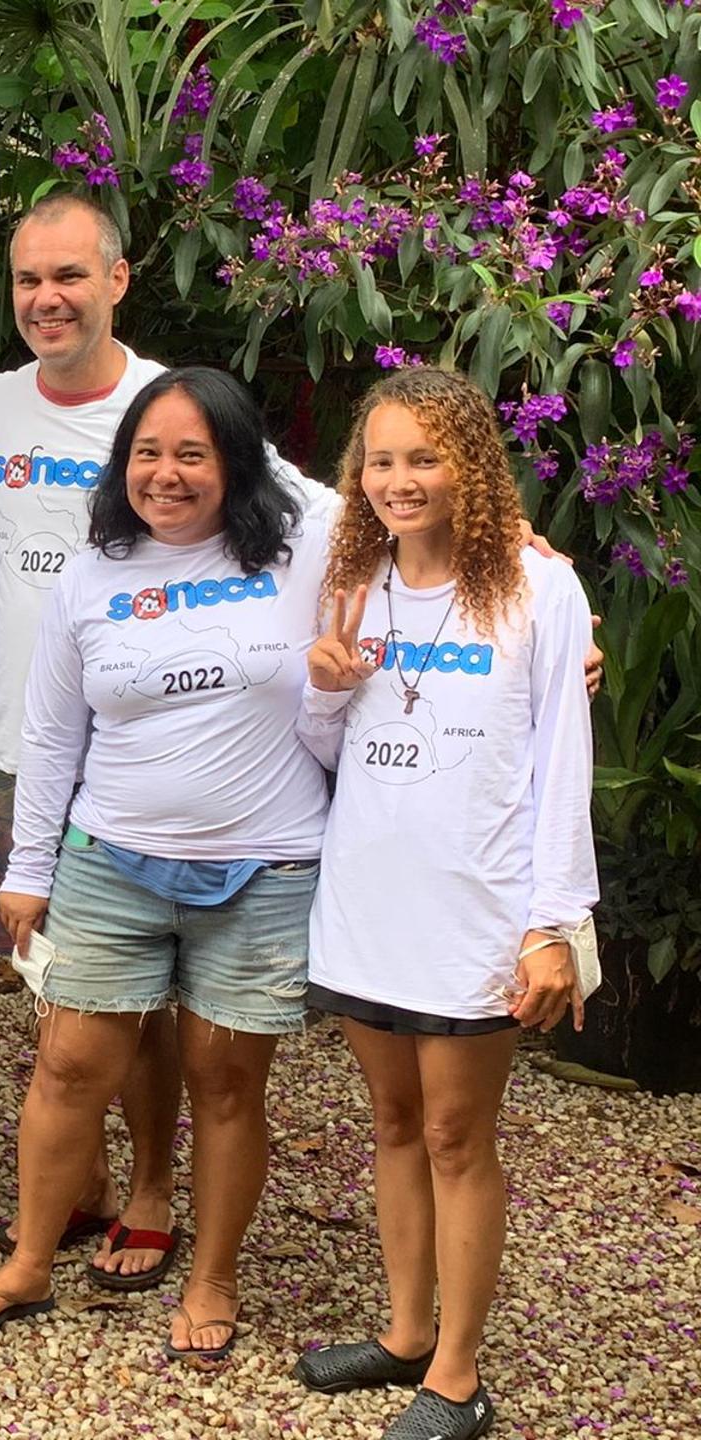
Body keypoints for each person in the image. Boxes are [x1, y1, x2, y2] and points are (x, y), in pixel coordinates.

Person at [0, 367, 330, 1352]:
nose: (165, 475)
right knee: (70, 1066)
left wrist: (536, 588)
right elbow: (51, 733)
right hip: (110, 861)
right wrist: (27, 868)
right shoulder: (93, 573)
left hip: (263, 870)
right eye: (147, 454)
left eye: (192, 454)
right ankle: (30, 1263)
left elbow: (413, 520)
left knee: (227, 1083)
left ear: (238, 464)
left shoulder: (303, 553)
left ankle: (212, 1281)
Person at [293, 368, 595, 1440]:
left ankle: (458, 1377)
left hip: (477, 904)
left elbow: (564, 757)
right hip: (369, 897)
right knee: (391, 1124)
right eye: (381, 460)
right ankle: (407, 1331)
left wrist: (551, 924)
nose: (400, 480)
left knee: (460, 1138)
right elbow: (326, 750)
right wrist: (324, 686)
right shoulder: (356, 579)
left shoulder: (534, 586)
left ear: (471, 463)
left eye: (425, 457)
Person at [0, 192, 193, 1289]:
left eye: (68, 276)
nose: (47, 299)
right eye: (28, 281)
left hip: (135, 765)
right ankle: (86, 1180)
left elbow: (303, 518)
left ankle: (152, 1189)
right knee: (57, 987)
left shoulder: (171, 410)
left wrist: (522, 564)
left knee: (139, 1003)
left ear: (118, 278)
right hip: (21, 749)